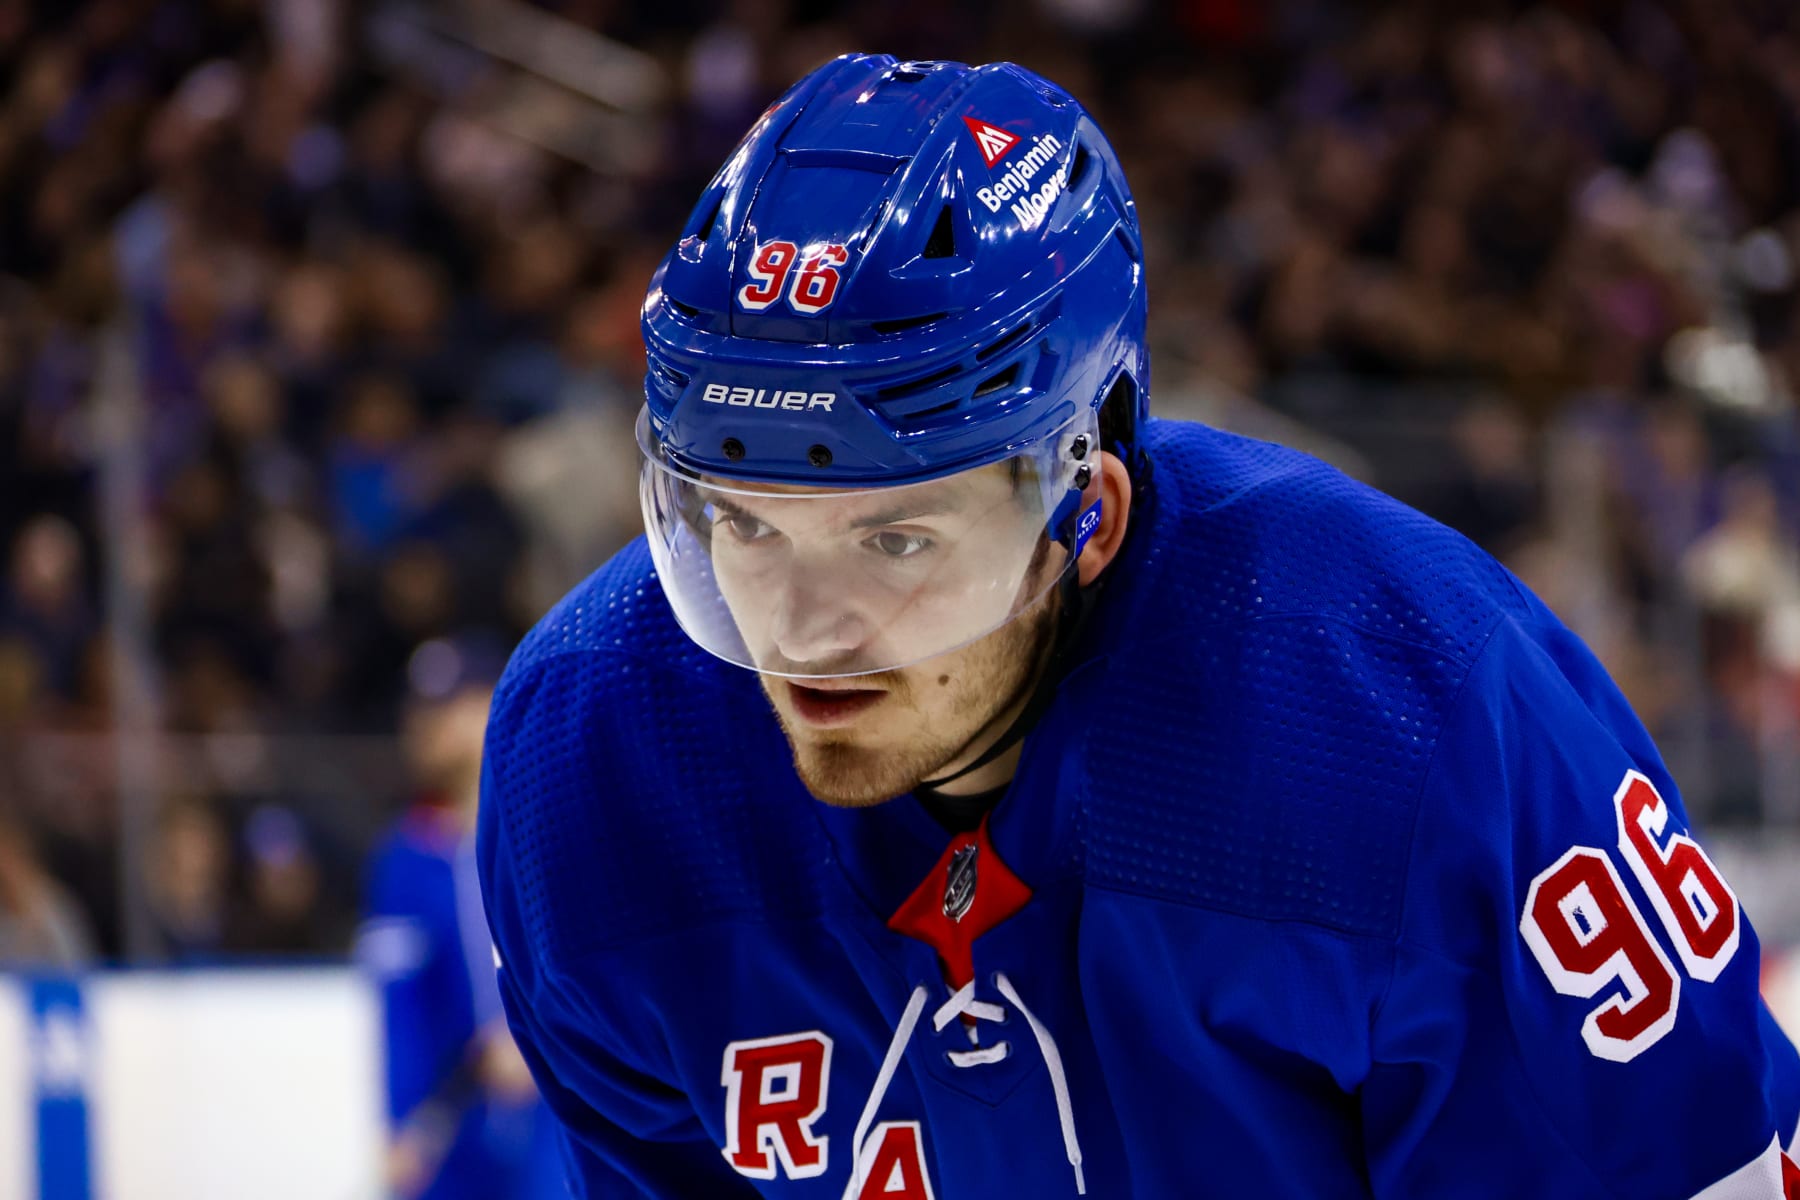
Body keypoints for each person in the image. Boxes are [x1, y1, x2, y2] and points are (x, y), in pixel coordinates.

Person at [477, 55, 1800, 1198]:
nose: (809, 630)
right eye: (747, 526)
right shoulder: (592, 766)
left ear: (1086, 513)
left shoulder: (1404, 704)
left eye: (895, 539)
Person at [359, 639, 564, 1200]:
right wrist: (400, 1122)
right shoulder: (404, 857)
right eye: (420, 711)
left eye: (448, 706)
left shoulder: (550, 833)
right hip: (452, 1129)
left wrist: (537, 1043)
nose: (426, 725)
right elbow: (396, 1003)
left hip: (557, 1115)